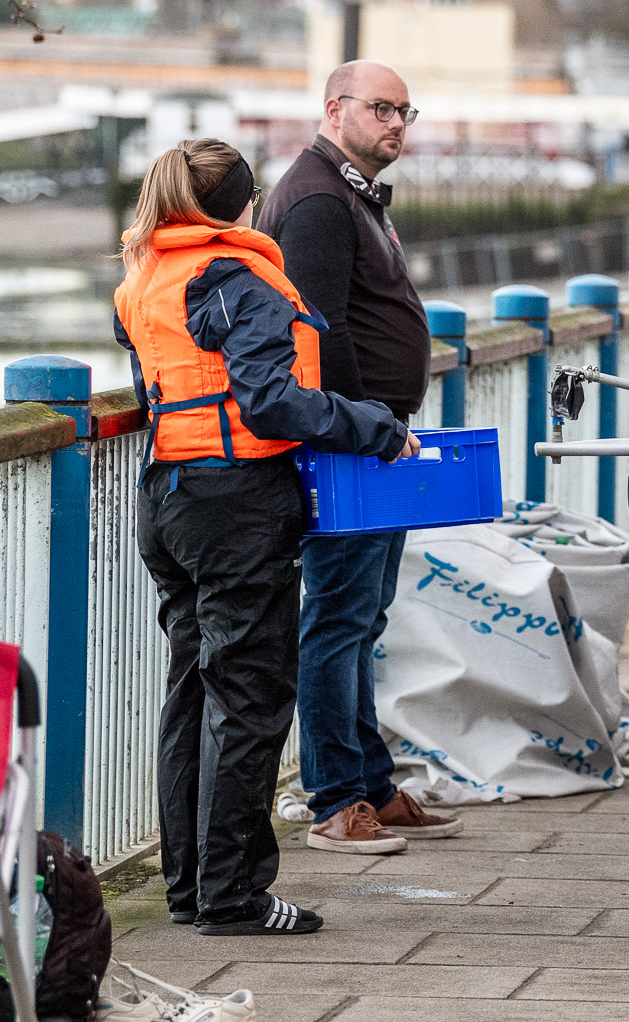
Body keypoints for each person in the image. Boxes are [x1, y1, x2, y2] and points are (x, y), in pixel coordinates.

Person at [114, 138, 416, 936]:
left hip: (169, 496)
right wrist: (376, 427)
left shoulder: (146, 276)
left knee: (192, 693)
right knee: (247, 701)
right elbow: (271, 401)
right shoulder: (241, 279)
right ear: (243, 205)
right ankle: (234, 896)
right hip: (239, 503)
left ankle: (188, 887)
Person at [261, 61, 464, 854]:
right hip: (351, 440)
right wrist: (359, 425)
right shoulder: (316, 197)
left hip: (378, 433)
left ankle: (371, 783)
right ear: (333, 108)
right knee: (339, 617)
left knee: (363, 614)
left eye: (406, 111)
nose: (397, 125)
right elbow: (318, 328)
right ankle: (335, 798)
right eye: (381, 108)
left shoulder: (353, 193)